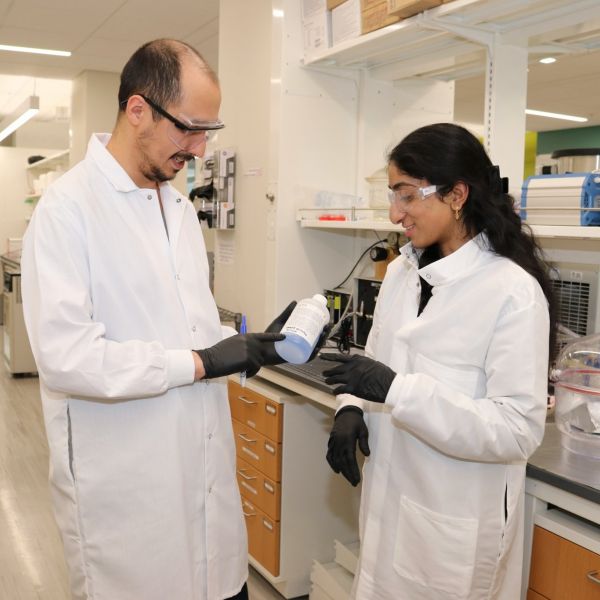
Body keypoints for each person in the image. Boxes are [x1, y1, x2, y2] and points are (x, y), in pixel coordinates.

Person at [21, 39, 294, 600]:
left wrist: (245, 347)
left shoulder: (179, 209)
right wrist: (197, 363)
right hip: (128, 512)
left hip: (207, 498)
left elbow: (189, 329)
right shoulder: (68, 210)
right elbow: (68, 359)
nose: (198, 149)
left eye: (208, 132)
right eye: (189, 128)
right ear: (137, 110)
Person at [322, 123, 557, 600]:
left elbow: (517, 429)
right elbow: (375, 362)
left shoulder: (511, 292)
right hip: (390, 504)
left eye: (407, 196)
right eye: (392, 195)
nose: (395, 213)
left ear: (457, 195)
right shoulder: (403, 273)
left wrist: (397, 392)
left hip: (453, 523)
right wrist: (351, 407)